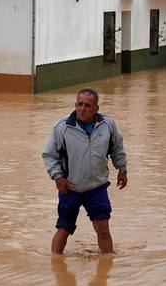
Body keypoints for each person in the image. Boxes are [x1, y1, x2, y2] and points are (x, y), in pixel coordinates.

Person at [41, 88, 128, 255]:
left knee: (103, 228)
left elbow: (117, 148)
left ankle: (107, 268)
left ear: (96, 108)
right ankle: (55, 265)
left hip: (97, 188)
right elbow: (49, 155)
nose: (82, 109)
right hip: (70, 188)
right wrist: (58, 178)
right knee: (64, 228)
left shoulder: (108, 125)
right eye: (79, 104)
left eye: (87, 105)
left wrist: (122, 169)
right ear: (75, 105)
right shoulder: (62, 127)